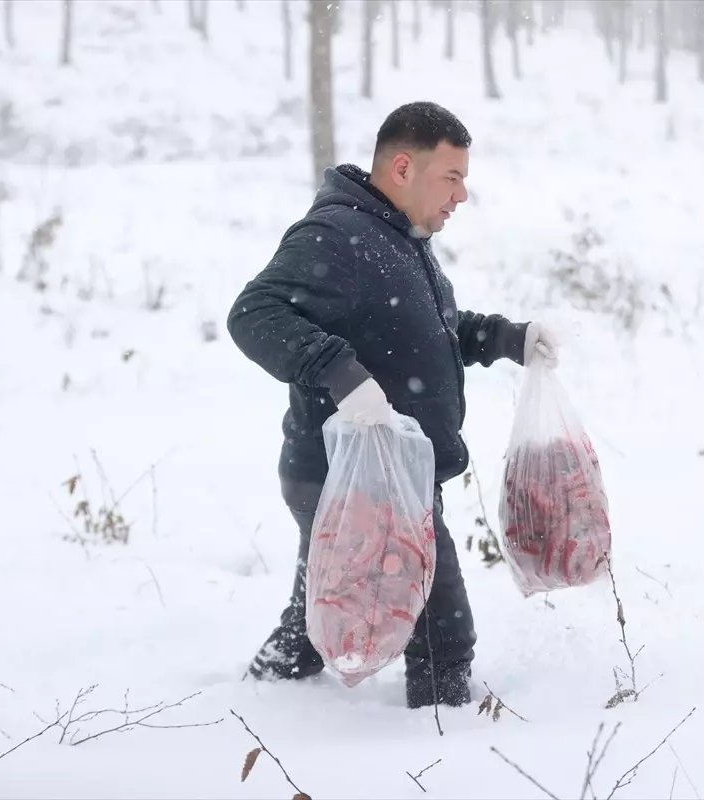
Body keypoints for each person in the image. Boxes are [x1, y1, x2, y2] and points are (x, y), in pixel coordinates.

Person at [225, 101, 560, 709]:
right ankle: (437, 740)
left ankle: (267, 693)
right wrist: (342, 376)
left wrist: (509, 337)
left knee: (317, 609)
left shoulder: (397, 236)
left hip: (366, 473)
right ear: (403, 167)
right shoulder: (338, 235)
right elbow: (253, 315)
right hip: (357, 477)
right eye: (452, 177)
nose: (462, 195)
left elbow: (427, 332)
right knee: (441, 627)